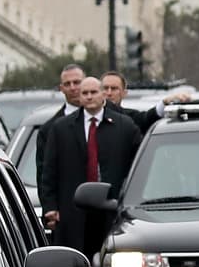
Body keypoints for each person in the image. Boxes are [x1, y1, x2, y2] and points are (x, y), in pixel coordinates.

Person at [39, 76, 139, 257]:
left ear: (103, 95)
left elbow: (137, 168)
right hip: (73, 212)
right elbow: (49, 171)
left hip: (113, 210)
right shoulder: (61, 128)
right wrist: (50, 207)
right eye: (85, 93)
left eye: (94, 92)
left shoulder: (124, 126)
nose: (89, 96)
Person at [34, 63, 87, 180]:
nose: (72, 88)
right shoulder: (48, 130)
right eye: (67, 84)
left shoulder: (106, 119)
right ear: (61, 88)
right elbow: (44, 176)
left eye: (77, 82)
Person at [99, 70, 190, 135]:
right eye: (105, 88)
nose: (109, 93)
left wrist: (165, 102)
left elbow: (148, 118)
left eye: (114, 89)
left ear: (124, 93)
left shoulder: (130, 119)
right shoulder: (91, 117)